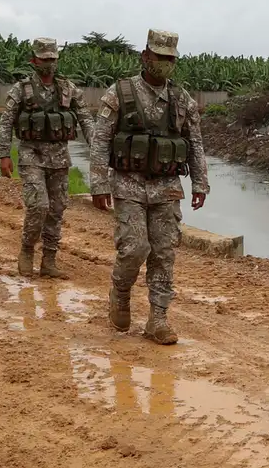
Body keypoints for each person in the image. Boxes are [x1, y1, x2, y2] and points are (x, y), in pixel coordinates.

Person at [88, 29, 210, 345]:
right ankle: (121, 291)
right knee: (135, 248)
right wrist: (99, 182)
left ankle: (158, 319)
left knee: (164, 252)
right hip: (128, 184)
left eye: (170, 59)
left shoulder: (182, 100)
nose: (165, 64)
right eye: (159, 57)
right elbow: (100, 140)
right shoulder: (120, 93)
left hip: (167, 186)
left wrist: (200, 182)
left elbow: (194, 142)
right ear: (145, 56)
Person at [0, 37, 96, 278]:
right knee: (38, 205)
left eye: (53, 59)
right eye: (44, 59)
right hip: (32, 155)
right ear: (34, 60)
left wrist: (98, 150)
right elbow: (6, 122)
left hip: (60, 158)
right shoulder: (21, 89)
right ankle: (27, 250)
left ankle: (49, 260)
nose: (49, 64)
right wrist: (3, 154)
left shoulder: (68, 89)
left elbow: (85, 119)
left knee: (57, 209)